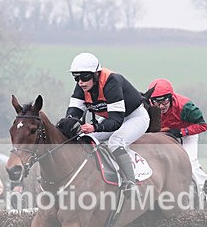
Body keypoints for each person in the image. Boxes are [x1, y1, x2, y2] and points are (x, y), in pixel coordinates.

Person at [56, 52, 149, 195]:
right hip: (112, 118)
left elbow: (117, 121)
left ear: (96, 74)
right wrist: (67, 125)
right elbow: (73, 114)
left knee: (116, 142)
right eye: (76, 77)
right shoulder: (81, 87)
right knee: (86, 139)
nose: (80, 82)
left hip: (134, 117)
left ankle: (131, 183)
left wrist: (94, 127)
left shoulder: (112, 82)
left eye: (85, 77)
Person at [146, 78, 207, 200]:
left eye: (164, 101)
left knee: (190, 161)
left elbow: (203, 126)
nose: (160, 106)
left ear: (171, 97)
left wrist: (181, 132)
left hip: (187, 133)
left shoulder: (185, 106)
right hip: (164, 135)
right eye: (156, 102)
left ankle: (205, 193)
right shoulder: (148, 106)